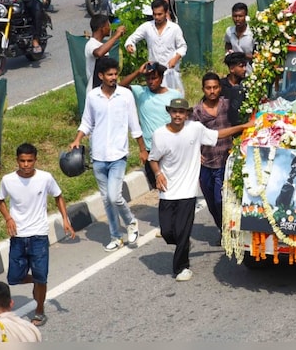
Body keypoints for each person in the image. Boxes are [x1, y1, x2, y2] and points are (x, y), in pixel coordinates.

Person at [149, 98, 253, 281]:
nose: (178, 115)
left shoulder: (195, 129)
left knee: (182, 231)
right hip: (168, 190)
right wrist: (158, 174)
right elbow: (153, 158)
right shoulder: (159, 134)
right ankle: (183, 243)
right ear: (169, 113)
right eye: (174, 111)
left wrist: (244, 126)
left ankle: (182, 268)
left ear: (187, 114)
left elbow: (219, 134)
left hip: (188, 191)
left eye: (181, 111)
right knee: (167, 232)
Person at [70, 56, 147, 252]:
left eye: (115, 74)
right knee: (106, 199)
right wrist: (78, 139)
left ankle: (130, 222)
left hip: (118, 156)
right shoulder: (93, 96)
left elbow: (134, 124)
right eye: (110, 74)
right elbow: (87, 121)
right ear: (101, 76)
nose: (113, 77)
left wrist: (142, 149)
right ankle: (115, 236)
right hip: (98, 157)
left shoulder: (125, 96)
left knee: (114, 197)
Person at [0, 143, 75, 329]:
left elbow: (58, 196)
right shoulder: (8, 180)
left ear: (35, 160)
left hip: (39, 235)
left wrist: (66, 219)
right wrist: (8, 218)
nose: (26, 165)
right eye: (22, 161)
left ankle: (39, 310)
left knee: (42, 277)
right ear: (17, 161)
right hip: (18, 236)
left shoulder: (45, 178)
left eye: (29, 161)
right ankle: (37, 280)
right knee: (13, 278)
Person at [118, 61, 181, 189]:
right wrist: (137, 72)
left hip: (171, 145)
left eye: (154, 78)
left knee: (175, 181)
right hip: (150, 149)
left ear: (161, 78)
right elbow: (120, 86)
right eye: (148, 78)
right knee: (157, 184)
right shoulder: (140, 92)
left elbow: (183, 119)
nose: (151, 81)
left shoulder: (174, 95)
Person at [193, 72, 235, 245]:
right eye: (208, 88)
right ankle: (221, 228)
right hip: (206, 163)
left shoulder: (228, 105)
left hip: (226, 161)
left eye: (215, 87)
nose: (212, 91)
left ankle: (228, 229)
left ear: (220, 88)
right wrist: (196, 153)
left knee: (221, 200)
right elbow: (191, 135)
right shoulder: (196, 111)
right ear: (203, 89)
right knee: (211, 201)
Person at [124, 0, 187, 95]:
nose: (157, 17)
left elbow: (182, 46)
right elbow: (132, 38)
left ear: (166, 13)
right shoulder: (147, 27)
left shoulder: (174, 28)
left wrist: (176, 58)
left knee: (172, 98)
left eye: (160, 14)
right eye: (155, 14)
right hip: (153, 72)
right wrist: (130, 45)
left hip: (170, 71)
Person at [85, 14, 126, 93]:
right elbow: (99, 53)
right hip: (95, 92)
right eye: (108, 25)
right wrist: (116, 35)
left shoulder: (101, 45)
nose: (110, 28)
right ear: (102, 28)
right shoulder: (91, 44)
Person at [220, 52, 248, 127]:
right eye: (241, 66)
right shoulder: (220, 86)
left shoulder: (248, 84)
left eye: (245, 66)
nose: (245, 69)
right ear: (232, 69)